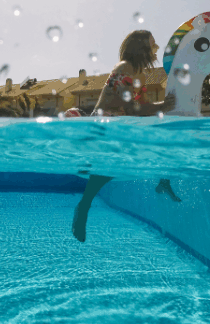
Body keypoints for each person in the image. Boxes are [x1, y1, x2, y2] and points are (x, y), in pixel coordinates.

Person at [67, 30, 181, 243]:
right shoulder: (124, 68)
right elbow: (130, 107)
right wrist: (162, 106)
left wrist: (161, 110)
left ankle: (163, 181)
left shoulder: (140, 75)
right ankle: (83, 206)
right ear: (141, 48)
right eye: (153, 44)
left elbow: (142, 107)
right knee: (109, 169)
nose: (156, 48)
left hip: (122, 125)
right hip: (105, 125)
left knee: (162, 142)